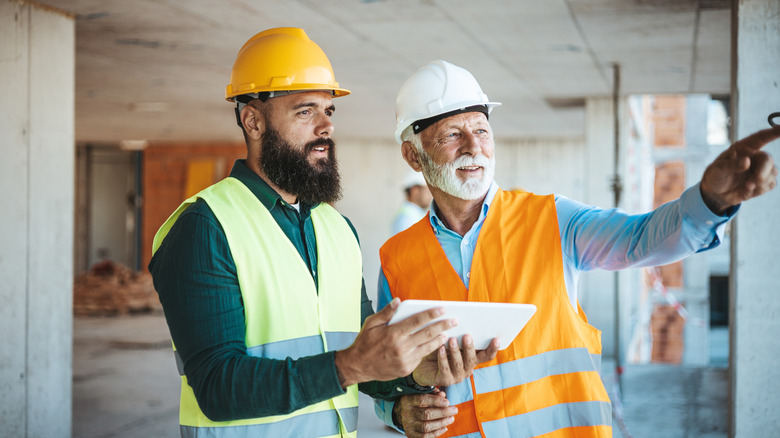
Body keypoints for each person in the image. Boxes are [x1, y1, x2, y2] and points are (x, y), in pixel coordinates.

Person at [376, 60, 779, 437]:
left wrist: (709, 201)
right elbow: (380, 375)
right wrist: (398, 412)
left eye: (481, 130)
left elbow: (641, 239)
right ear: (414, 154)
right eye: (452, 134)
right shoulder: (396, 258)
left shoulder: (551, 218)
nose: (473, 146)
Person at [149, 32, 497, 438]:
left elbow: (360, 359)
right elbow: (217, 386)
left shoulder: (336, 229)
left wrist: (414, 372)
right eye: (305, 111)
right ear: (253, 120)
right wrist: (350, 366)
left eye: (328, 110)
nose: (326, 124)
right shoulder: (205, 226)